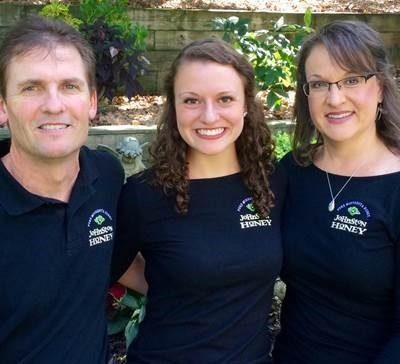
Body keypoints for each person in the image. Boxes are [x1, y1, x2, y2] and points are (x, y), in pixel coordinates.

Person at [111, 37, 285, 363]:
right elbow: (111, 265)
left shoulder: (273, 182)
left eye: (225, 99)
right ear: (173, 105)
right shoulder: (144, 194)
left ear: (246, 104)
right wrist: (172, 284)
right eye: (191, 100)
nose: (208, 115)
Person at [274, 20, 400, 364]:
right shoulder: (293, 171)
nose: (334, 97)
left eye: (352, 80)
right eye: (319, 84)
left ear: (381, 87)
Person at [0, 15, 124, 363]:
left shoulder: (106, 176)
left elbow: (122, 259)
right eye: (31, 87)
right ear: (2, 106)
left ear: (92, 102)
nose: (53, 105)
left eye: (69, 86)